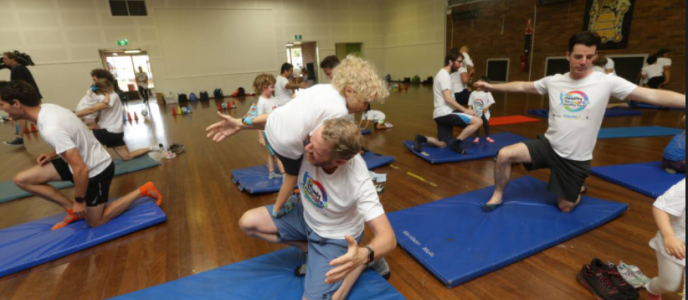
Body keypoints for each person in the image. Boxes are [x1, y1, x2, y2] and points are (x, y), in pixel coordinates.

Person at [476, 31, 686, 213]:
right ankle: (497, 195)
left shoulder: (607, 81)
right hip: (548, 146)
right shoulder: (555, 80)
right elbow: (523, 87)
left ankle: (575, 189)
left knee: (566, 206)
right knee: (504, 154)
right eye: (578, 56)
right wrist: (493, 87)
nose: (583, 61)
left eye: (588, 56)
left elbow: (650, 95)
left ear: (596, 56)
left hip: (576, 157)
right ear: (568, 56)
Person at [206, 55, 388, 225]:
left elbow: (284, 114)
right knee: (293, 175)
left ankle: (244, 121)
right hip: (285, 144)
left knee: (284, 122)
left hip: (272, 126)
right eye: (365, 102)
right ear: (349, 90)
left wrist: (240, 124)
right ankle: (278, 209)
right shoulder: (338, 111)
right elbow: (316, 143)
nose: (365, 107)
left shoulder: (321, 88)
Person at [238, 119, 396, 300]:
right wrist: (239, 124)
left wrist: (363, 255)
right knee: (247, 223)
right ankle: (308, 248)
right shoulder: (310, 141)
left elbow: (388, 238)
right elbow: (277, 120)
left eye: (316, 151)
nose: (307, 149)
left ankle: (358, 265)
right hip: (304, 215)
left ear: (339, 161)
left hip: (335, 237)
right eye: (311, 141)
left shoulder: (358, 180)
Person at [0, 80, 162, 230]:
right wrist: (54, 152)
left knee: (96, 222)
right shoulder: (48, 108)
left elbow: (81, 170)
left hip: (95, 171)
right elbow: (76, 135)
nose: (1, 109)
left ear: (16, 103)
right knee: (22, 180)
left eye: (2, 104)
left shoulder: (50, 128)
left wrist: (80, 201)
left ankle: (143, 190)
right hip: (76, 162)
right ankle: (71, 210)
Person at [412, 51, 482, 155]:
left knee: (442, 144)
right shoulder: (444, 76)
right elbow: (448, 99)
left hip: (439, 115)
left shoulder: (443, 74)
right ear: (450, 62)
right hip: (446, 114)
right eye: (459, 62)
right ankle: (456, 144)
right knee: (478, 122)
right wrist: (465, 110)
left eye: (462, 62)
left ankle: (421, 138)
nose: (461, 65)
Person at [75, 69, 154, 161]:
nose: (93, 82)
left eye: (95, 80)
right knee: (127, 156)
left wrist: (74, 114)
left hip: (109, 132)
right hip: (116, 132)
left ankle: (87, 164)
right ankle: (154, 147)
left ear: (103, 81)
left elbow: (92, 109)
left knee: (80, 136)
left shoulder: (111, 96)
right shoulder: (106, 95)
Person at [646, 179, 685, 300]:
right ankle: (652, 290)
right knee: (669, 285)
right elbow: (660, 208)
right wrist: (669, 236)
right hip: (675, 246)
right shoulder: (684, 187)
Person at [2, 51, 42, 146]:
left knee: (25, 116)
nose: (3, 61)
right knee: (38, 115)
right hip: (32, 95)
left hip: (28, 97)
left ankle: (20, 138)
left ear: (12, 59)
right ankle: (19, 138)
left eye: (5, 59)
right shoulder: (19, 67)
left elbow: (18, 85)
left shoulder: (17, 69)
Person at [254, 73, 285, 179]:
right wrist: (260, 137)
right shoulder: (261, 102)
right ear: (263, 87)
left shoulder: (272, 98)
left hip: (275, 130)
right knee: (278, 153)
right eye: (272, 87)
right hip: (268, 132)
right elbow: (257, 121)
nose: (273, 89)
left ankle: (271, 173)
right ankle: (284, 174)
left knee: (271, 153)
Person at [468, 76, 496, 144]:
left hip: (484, 112)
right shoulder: (473, 93)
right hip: (476, 112)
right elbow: (470, 103)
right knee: (476, 124)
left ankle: (487, 135)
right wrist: (469, 109)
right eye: (478, 83)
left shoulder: (487, 93)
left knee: (485, 124)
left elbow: (491, 102)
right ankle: (477, 136)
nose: (478, 85)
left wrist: (486, 107)